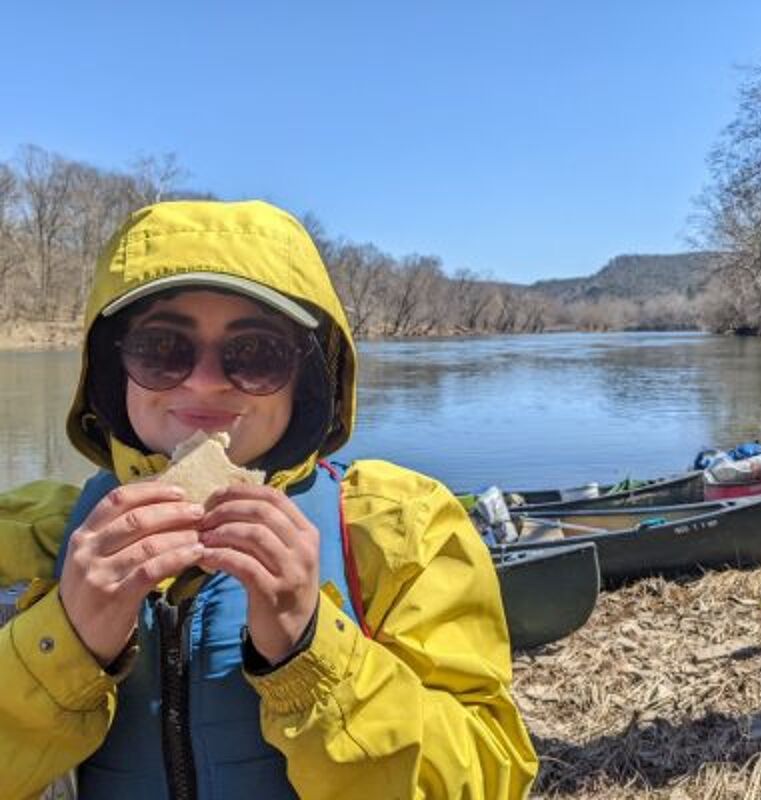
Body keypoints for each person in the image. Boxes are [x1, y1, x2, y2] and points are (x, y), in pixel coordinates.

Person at [0, 200, 538, 799]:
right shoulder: (29, 540)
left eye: (255, 352)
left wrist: (312, 653)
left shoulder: (403, 533)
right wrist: (59, 647)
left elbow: (489, 779)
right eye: (162, 348)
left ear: (307, 377)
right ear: (112, 365)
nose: (205, 382)